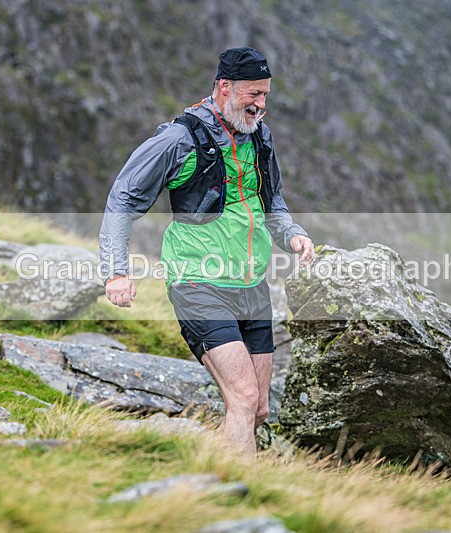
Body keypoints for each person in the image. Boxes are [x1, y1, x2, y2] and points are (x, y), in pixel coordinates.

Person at [99, 46, 314, 456]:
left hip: (252, 286)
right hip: (199, 283)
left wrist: (292, 235)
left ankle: (203, 465)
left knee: (259, 409)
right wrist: (116, 272)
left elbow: (272, 201)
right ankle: (233, 488)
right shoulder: (179, 139)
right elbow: (122, 199)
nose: (261, 105)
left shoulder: (260, 136)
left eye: (265, 95)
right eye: (253, 94)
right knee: (244, 397)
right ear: (224, 87)